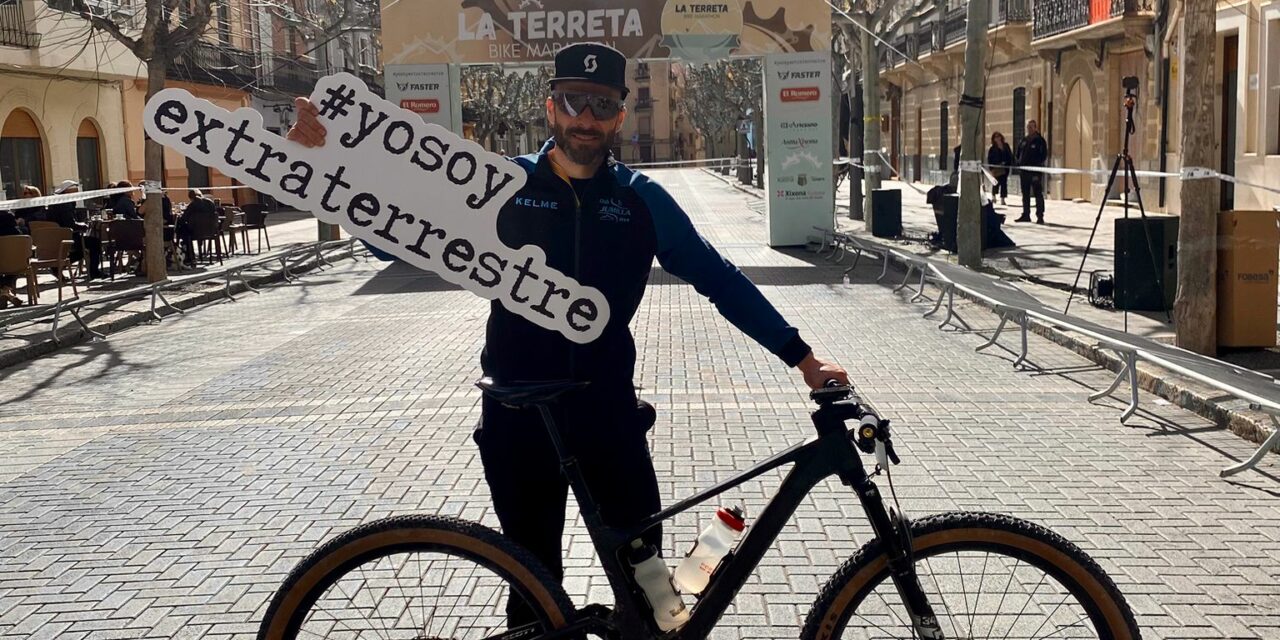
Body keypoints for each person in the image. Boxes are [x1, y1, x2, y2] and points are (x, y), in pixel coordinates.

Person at [287, 41, 850, 625]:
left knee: (649, 578)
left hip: (605, 412)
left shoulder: (641, 200)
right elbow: (396, 235)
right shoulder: (500, 185)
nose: (586, 117)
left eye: (601, 105)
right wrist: (330, 164)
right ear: (550, 106)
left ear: (619, 116)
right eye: (573, 101)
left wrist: (803, 358)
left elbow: (719, 280)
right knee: (534, 582)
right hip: (517, 411)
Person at [1015, 119, 1048, 223]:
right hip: (1024, 172)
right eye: (1028, 127)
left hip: (1035, 172)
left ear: (1035, 128)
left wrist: (1037, 166)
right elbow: (1018, 153)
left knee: (1038, 193)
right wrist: (1018, 162)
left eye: (1031, 127)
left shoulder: (1040, 141)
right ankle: (1026, 214)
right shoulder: (1024, 140)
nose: (1029, 129)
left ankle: (1040, 216)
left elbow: (1043, 155)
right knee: (1025, 194)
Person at [0, 211, 25, 307]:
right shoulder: (20, 234)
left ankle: (3, 292)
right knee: (19, 265)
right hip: (16, 265)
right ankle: (6, 290)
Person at [987, 132, 1014, 206]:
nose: (997, 138)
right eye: (995, 137)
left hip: (1005, 168)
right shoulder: (992, 148)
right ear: (994, 139)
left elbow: (1009, 155)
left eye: (998, 136)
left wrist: (1009, 163)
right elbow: (990, 159)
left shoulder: (1006, 146)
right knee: (995, 183)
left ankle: (1003, 199)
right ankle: (994, 196)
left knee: (1004, 183)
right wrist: (991, 168)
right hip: (996, 168)